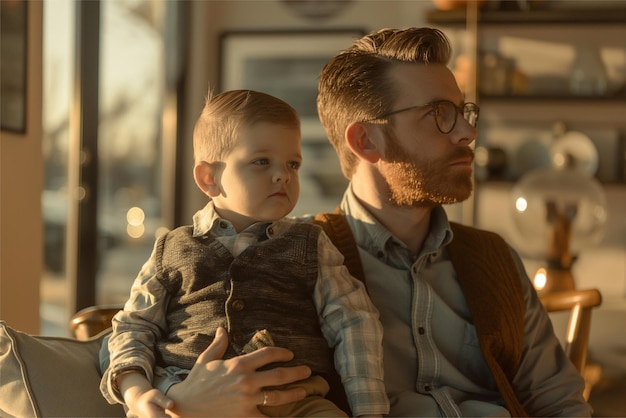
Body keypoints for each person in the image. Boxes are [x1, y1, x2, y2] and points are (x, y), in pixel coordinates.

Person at [132, 28, 593, 417]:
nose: (468, 132)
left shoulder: (493, 256)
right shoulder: (289, 256)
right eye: (440, 114)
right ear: (366, 140)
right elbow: (147, 331)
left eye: (463, 112)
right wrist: (181, 399)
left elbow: (559, 401)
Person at [99, 89, 389, 418]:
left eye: (292, 163)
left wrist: (369, 411)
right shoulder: (172, 247)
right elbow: (133, 326)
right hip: (191, 397)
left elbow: (354, 322)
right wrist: (136, 392)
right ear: (209, 178)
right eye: (261, 161)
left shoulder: (312, 243)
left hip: (295, 401)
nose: (284, 174)